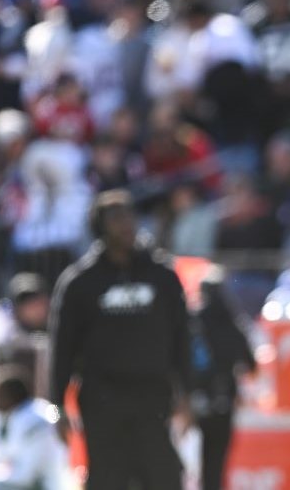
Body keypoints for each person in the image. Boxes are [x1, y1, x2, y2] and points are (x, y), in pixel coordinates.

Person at [49, 189, 192, 490]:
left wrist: (188, 392)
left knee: (163, 476)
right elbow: (62, 347)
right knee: (107, 479)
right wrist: (58, 404)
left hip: (153, 396)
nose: (126, 224)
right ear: (100, 227)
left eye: (129, 215)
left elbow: (183, 337)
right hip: (102, 400)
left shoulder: (162, 275)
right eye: (116, 218)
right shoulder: (80, 282)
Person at [189, 266, 256, 490]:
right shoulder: (232, 323)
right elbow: (250, 363)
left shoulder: (193, 321)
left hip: (195, 399)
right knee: (217, 459)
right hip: (225, 398)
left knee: (196, 454)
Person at [0, 366, 67, 490]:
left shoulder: (36, 418)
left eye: (0, 394)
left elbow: (27, 475)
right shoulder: (3, 418)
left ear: (14, 395)